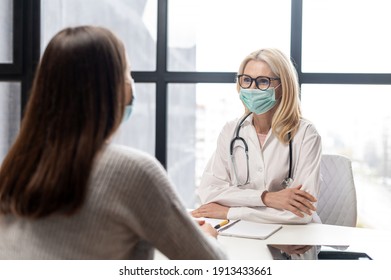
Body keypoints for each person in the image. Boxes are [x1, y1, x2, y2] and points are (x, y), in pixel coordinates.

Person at [0, 26, 225, 260]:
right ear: (111, 89)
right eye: (128, 73)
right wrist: (208, 236)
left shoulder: (16, 167)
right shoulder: (132, 170)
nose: (132, 83)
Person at [192, 48, 321, 224]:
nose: (252, 88)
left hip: (294, 242)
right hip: (241, 234)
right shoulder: (231, 131)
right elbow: (209, 191)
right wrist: (268, 198)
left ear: (283, 86)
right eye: (246, 80)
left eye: (263, 81)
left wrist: (230, 212)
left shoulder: (306, 134)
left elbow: (300, 212)